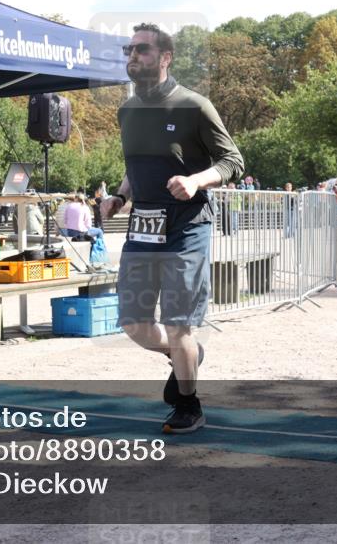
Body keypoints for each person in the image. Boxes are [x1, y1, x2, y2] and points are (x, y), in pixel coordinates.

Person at [100, 22, 244, 435]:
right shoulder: (126, 111)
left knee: (178, 320)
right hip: (143, 227)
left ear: (165, 58)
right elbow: (135, 166)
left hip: (187, 227)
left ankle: (189, 404)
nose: (133, 57)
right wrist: (121, 198)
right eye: (130, 50)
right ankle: (188, 355)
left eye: (142, 50)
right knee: (133, 324)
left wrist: (196, 181)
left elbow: (233, 161)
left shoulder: (194, 105)